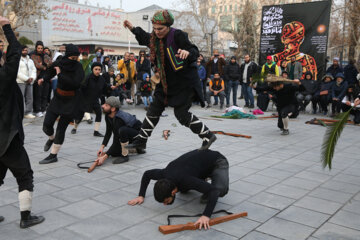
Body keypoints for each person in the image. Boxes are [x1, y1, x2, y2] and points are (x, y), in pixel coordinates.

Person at [123, 10, 216, 151]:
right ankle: (141, 140)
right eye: (154, 28)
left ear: (168, 26)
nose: (157, 31)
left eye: (160, 29)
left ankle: (208, 136)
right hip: (165, 83)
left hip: (183, 82)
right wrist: (132, 28)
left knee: (181, 114)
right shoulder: (154, 38)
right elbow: (144, 37)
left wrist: (188, 52)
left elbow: (194, 50)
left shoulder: (177, 35)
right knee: (153, 109)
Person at [0, 16, 45, 228]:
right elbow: (16, 50)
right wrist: (6, 26)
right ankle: (26, 218)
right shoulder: (4, 76)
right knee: (25, 175)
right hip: (7, 136)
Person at [127, 149, 229, 230]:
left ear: (173, 192)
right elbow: (147, 174)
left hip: (216, 161)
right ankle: (202, 179)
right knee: (184, 190)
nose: (165, 204)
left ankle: (208, 180)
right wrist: (141, 195)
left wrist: (206, 216)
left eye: (166, 201)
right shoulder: (164, 174)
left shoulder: (185, 179)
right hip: (196, 164)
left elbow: (214, 191)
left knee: (219, 190)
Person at [38, 44, 85, 164]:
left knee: (61, 129)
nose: (74, 60)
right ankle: (51, 139)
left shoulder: (78, 67)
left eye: (76, 58)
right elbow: (50, 72)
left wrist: (60, 74)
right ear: (67, 56)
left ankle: (53, 155)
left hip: (71, 101)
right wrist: (44, 79)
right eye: (72, 58)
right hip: (58, 98)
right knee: (46, 125)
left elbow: (74, 83)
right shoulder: (60, 62)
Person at [95, 97, 144, 165]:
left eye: (106, 105)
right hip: (129, 136)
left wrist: (104, 157)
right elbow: (108, 132)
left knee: (122, 130)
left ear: (113, 109)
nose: (102, 106)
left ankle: (125, 156)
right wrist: (102, 148)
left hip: (139, 136)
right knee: (114, 153)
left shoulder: (119, 119)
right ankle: (136, 149)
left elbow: (116, 141)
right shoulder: (108, 115)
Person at [72, 62, 107, 136]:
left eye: (99, 69)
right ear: (92, 70)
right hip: (85, 100)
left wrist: (110, 87)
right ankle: (74, 128)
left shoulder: (102, 79)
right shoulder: (88, 78)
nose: (97, 71)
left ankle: (96, 131)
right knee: (79, 116)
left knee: (99, 113)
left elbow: (105, 88)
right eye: (96, 69)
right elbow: (81, 88)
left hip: (95, 100)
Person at [31, 41, 52, 117]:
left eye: (41, 48)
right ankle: (37, 110)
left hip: (45, 77)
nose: (40, 49)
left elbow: (50, 63)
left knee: (45, 94)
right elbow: (36, 65)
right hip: (37, 77)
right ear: (36, 48)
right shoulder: (33, 54)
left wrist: (43, 65)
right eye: (38, 48)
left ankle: (43, 109)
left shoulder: (45, 55)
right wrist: (44, 66)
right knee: (38, 94)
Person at [16, 45, 37, 119]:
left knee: (30, 98)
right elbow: (17, 72)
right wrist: (26, 78)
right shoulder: (17, 60)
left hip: (30, 82)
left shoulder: (30, 60)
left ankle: (28, 112)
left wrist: (32, 78)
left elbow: (34, 70)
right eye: (23, 50)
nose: (25, 51)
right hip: (21, 81)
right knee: (21, 97)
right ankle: (21, 112)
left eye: (26, 50)